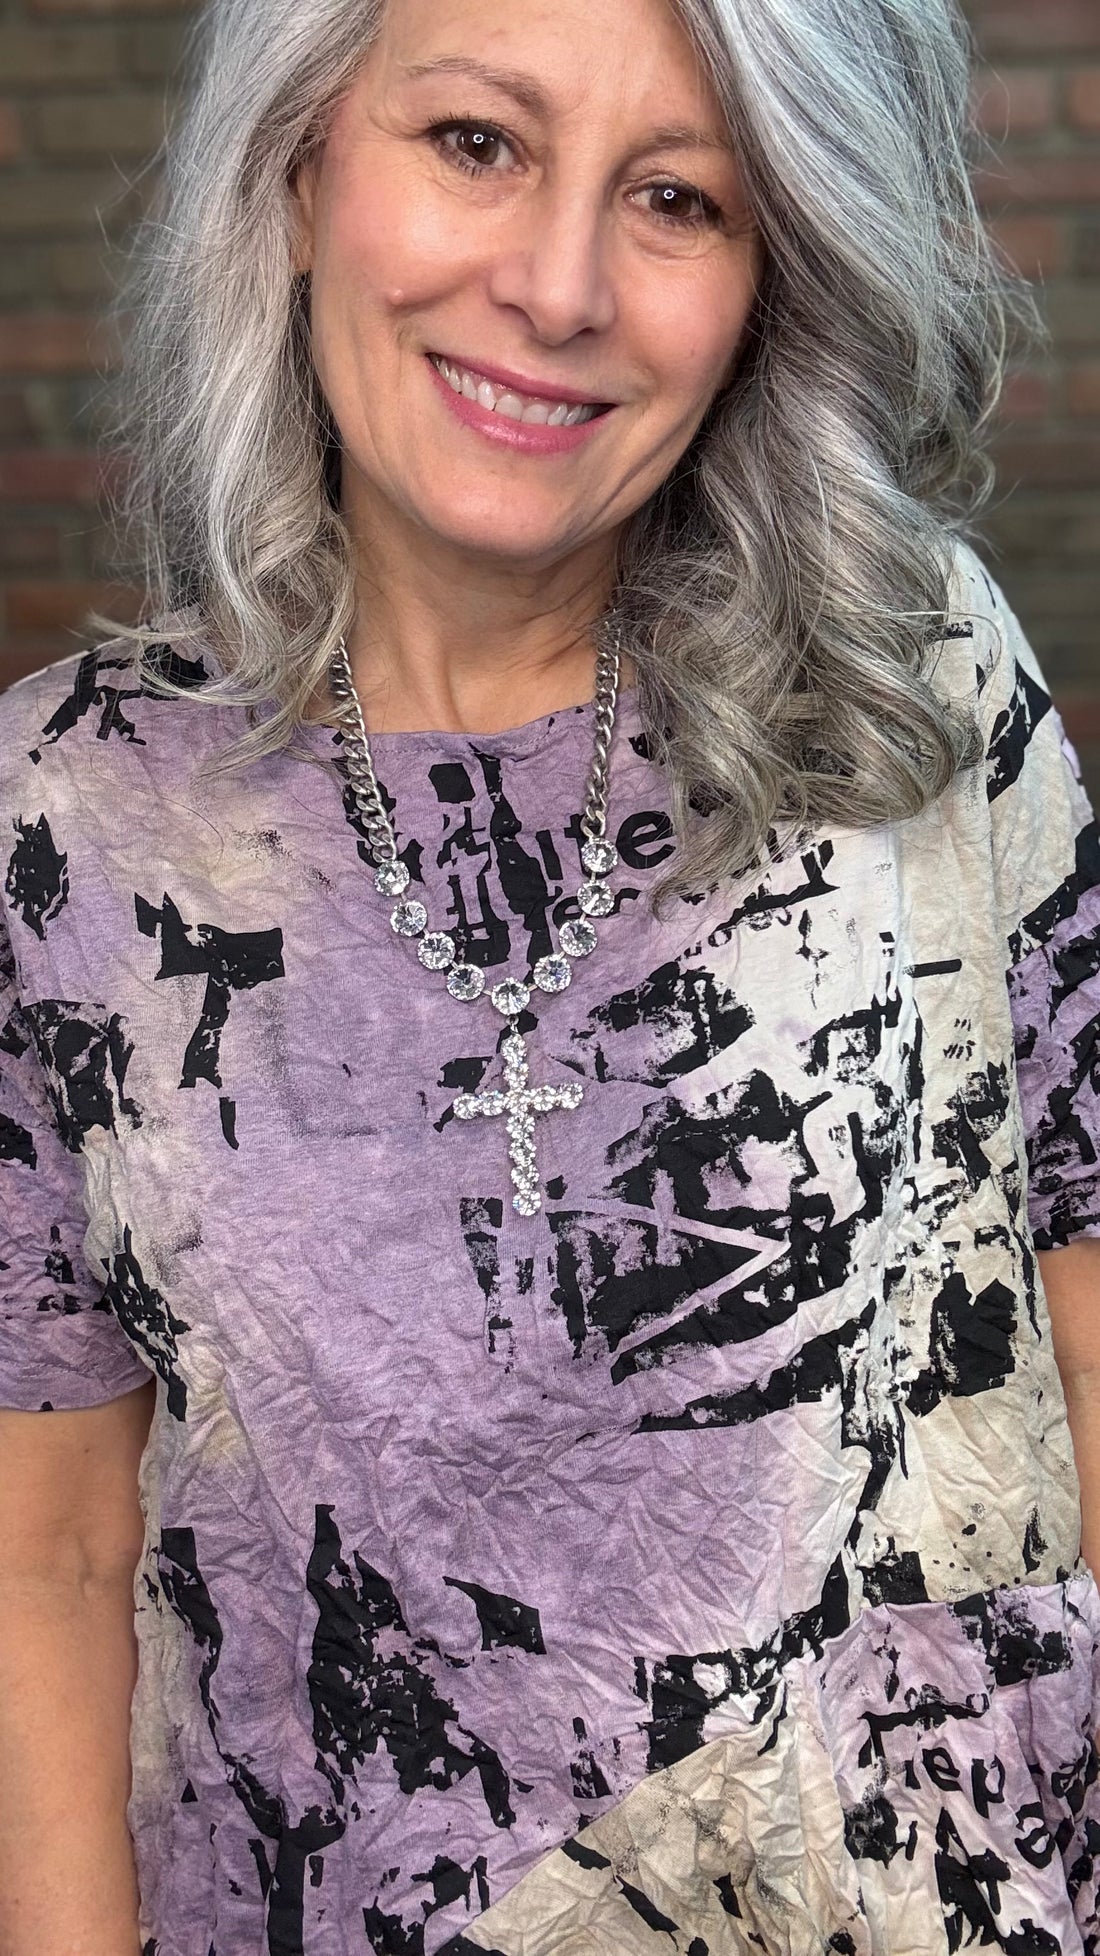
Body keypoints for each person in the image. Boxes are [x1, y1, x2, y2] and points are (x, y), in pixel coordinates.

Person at [2, 0, 1099, 1948]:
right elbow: (54, 1565)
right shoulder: (69, 825)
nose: (561, 285)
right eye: (479, 145)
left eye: (674, 195)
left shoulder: (920, 694)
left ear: (771, 273)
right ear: (300, 173)